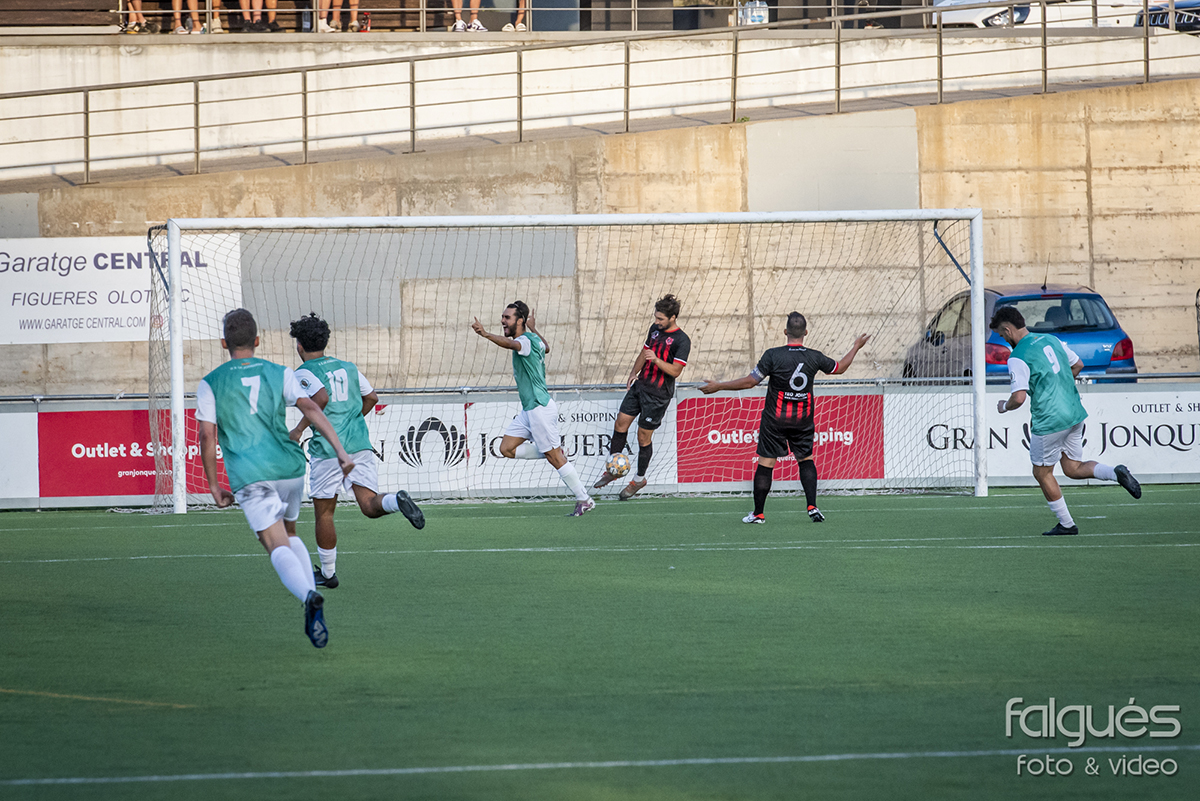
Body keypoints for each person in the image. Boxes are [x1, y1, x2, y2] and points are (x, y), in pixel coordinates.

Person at [198, 309, 356, 648]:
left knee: (274, 543)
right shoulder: (280, 372)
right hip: (289, 468)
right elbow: (312, 408)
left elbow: (207, 436)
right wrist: (341, 451)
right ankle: (310, 595)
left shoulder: (211, 383)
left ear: (224, 343)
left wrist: (213, 485)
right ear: (257, 340)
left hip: (251, 474)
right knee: (289, 532)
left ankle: (309, 596)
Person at [287, 313, 425, 590]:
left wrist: (300, 429)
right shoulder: (347, 367)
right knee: (369, 505)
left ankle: (328, 574)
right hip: (360, 445)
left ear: (299, 345)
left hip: (328, 450)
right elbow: (372, 397)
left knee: (324, 514)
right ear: (325, 342)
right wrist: (353, 420)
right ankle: (396, 501)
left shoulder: (303, 372)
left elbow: (320, 398)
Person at [700, 312, 870, 524]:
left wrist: (719, 386)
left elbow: (751, 381)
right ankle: (812, 507)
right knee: (805, 459)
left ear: (785, 332)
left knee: (766, 463)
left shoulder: (773, 355)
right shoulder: (814, 356)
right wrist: (856, 346)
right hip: (803, 420)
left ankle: (758, 514)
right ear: (805, 332)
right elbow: (840, 368)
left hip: (775, 420)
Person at [991, 305, 1141, 535]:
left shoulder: (1018, 357)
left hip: (1050, 420)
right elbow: (1078, 364)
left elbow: (1018, 398)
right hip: (1074, 413)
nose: (1004, 339)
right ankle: (1115, 472)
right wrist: (1058, 385)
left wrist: (1004, 406)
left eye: (1002, 335)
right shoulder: (1051, 339)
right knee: (1072, 468)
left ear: (1008, 329)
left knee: (1042, 473)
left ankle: (1067, 524)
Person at [471, 301, 595, 516]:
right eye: (503, 317)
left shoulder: (523, 342)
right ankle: (553, 451)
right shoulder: (533, 339)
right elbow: (547, 347)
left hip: (539, 408)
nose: (503, 320)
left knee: (555, 459)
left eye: (507, 317)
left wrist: (486, 334)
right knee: (506, 449)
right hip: (530, 409)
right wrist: (534, 328)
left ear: (520, 320)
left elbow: (511, 345)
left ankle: (584, 499)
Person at [594, 294, 691, 500]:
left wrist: (655, 360)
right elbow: (644, 351)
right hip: (640, 386)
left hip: (658, 396)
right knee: (620, 423)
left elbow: (675, 371)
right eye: (656, 317)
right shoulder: (654, 330)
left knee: (642, 436)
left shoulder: (682, 340)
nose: (657, 321)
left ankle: (638, 480)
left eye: (660, 319)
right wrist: (633, 373)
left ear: (673, 317)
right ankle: (613, 469)